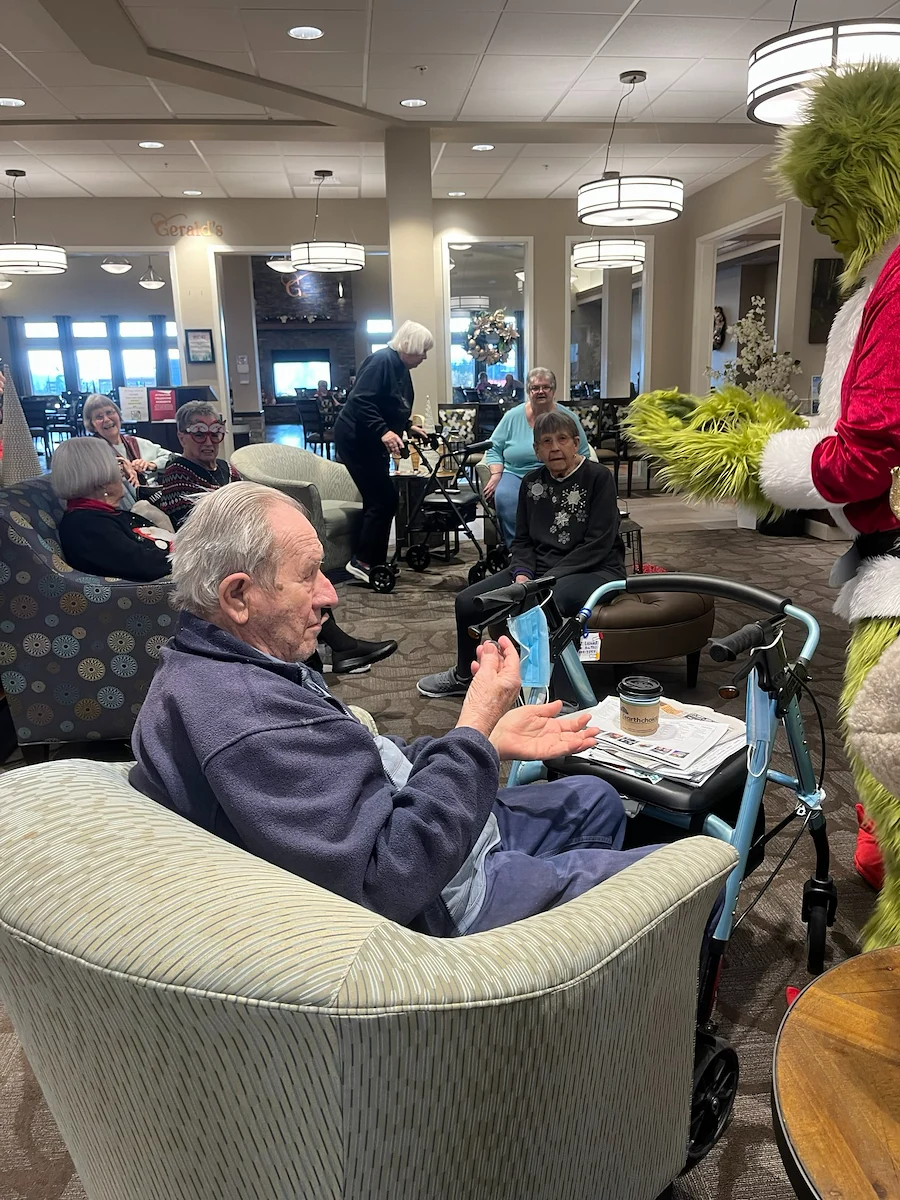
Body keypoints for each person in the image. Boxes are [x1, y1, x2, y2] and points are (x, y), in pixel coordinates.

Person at [129, 481, 658, 936]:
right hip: (442, 900)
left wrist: (483, 742)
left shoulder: (225, 666)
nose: (331, 595)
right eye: (310, 574)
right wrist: (473, 728)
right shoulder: (246, 721)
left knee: (596, 798)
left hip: (429, 835)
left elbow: (367, 763)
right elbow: (387, 880)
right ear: (239, 596)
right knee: (675, 876)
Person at [151, 400, 396, 676]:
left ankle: (325, 649)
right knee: (286, 576)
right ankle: (329, 650)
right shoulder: (177, 473)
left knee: (302, 570)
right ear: (181, 435)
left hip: (244, 548)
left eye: (215, 432)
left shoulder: (224, 469)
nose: (208, 440)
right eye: (199, 433)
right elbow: (198, 530)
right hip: (215, 562)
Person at [418, 411, 624, 698]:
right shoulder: (531, 483)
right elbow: (523, 540)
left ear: (575, 443)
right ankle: (465, 674)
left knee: (545, 600)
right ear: (537, 451)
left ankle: (562, 695)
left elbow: (597, 544)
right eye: (546, 442)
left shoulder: (598, 478)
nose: (555, 447)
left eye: (562, 439)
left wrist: (541, 581)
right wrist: (523, 574)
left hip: (595, 569)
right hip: (539, 570)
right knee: (467, 603)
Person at [333, 320, 434, 585]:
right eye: (422, 350)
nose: (424, 356)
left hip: (370, 439)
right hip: (357, 439)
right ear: (409, 346)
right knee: (384, 499)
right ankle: (363, 560)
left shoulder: (399, 366)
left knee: (379, 498)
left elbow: (392, 404)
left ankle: (373, 561)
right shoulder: (381, 361)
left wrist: (409, 427)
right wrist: (384, 431)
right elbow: (360, 400)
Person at [483, 367, 591, 546]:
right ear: (528, 391)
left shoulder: (568, 417)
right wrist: (496, 475)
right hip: (517, 474)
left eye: (546, 387)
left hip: (557, 475)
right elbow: (493, 448)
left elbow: (583, 451)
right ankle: (516, 550)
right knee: (505, 498)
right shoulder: (512, 417)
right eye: (535, 388)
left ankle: (554, 548)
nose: (540, 391)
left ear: (553, 390)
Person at [51, 436, 171, 582]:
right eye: (117, 468)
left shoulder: (96, 514)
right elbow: (146, 565)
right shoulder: (88, 526)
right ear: (102, 481)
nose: (122, 476)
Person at [83, 393, 172, 496]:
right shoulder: (91, 451)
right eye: (99, 417)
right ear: (92, 424)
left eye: (109, 412)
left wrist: (151, 465)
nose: (106, 419)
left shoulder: (136, 442)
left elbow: (174, 458)